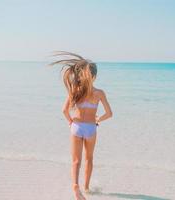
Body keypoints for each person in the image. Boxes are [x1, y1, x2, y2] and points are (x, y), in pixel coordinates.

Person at [51, 51, 113, 200]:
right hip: (91, 128)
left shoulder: (75, 90)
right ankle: (86, 188)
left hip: (76, 127)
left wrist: (70, 122)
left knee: (76, 161)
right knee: (89, 159)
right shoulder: (99, 93)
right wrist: (98, 119)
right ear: (94, 76)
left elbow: (64, 110)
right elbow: (109, 113)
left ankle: (75, 186)